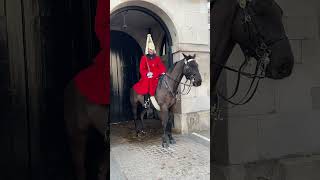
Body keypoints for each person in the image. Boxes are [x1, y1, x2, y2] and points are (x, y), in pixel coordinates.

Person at [133, 34, 166, 109]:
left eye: (151, 49)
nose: (150, 51)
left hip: (156, 76)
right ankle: (146, 101)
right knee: (147, 82)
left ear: (154, 50)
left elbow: (162, 68)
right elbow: (141, 69)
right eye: (149, 49)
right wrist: (147, 73)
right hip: (147, 76)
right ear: (147, 50)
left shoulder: (157, 58)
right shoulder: (144, 58)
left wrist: (155, 73)